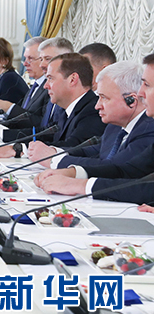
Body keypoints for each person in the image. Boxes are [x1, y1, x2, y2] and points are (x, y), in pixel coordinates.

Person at [34, 53, 154, 202]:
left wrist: (78, 184)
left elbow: (138, 182)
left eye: (147, 85)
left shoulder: (149, 128)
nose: (141, 93)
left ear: (131, 100)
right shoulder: (114, 126)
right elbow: (127, 170)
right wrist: (74, 172)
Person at [0, 36, 50, 142]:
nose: (25, 63)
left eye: (31, 59)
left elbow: (42, 126)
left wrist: (9, 108)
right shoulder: (36, 85)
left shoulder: (10, 79)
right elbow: (19, 120)